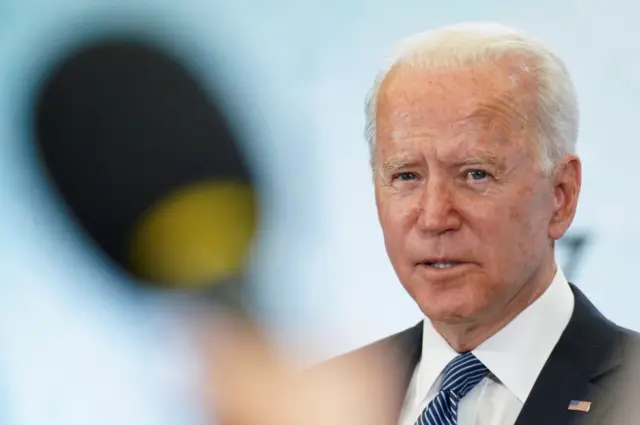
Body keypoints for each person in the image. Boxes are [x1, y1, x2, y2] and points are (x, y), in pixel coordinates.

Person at [317, 22, 640, 425]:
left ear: (561, 196)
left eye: (475, 174)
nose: (434, 217)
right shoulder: (320, 403)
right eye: (406, 176)